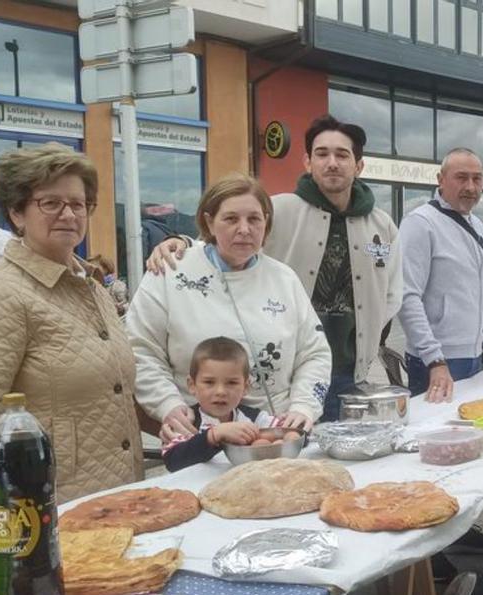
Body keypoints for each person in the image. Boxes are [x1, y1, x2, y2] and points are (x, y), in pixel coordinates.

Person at [146, 115, 401, 422]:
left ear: (359, 166)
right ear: (307, 161)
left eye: (342, 155)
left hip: (348, 371)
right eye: (322, 154)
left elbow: (391, 291)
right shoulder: (277, 208)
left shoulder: (381, 224)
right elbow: (216, 246)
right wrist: (180, 242)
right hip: (276, 382)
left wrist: (369, 334)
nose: (332, 163)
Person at [0, 144, 141, 503]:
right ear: (17, 212)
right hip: (48, 508)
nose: (68, 214)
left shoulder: (93, 289)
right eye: (51, 203)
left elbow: (116, 391)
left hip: (119, 496)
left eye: (78, 204)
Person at [128, 174, 332, 441]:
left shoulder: (284, 278)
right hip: (201, 436)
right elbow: (140, 350)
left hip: (277, 435)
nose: (244, 229)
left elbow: (314, 353)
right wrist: (168, 405)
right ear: (209, 221)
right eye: (231, 219)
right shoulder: (171, 272)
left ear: (266, 223)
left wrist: (303, 407)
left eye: (254, 219)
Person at [398, 147, 483, 403]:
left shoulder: (477, 226)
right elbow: (407, 296)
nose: (471, 186)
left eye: (477, 179)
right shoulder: (420, 224)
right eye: (461, 177)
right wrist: (434, 360)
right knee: (436, 437)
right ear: (440, 180)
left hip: (475, 355)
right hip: (435, 363)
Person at [160, 336, 279, 473]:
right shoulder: (186, 422)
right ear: (192, 385)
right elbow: (173, 462)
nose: (220, 391)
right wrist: (213, 436)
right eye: (209, 382)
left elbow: (292, 435)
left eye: (232, 383)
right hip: (193, 491)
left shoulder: (254, 418)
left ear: (246, 387)